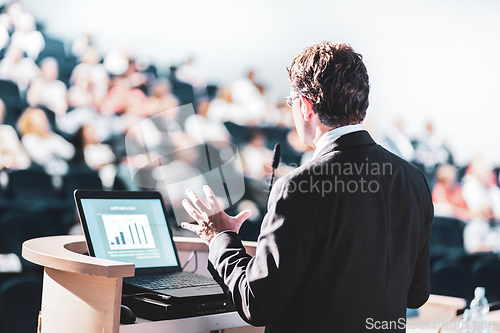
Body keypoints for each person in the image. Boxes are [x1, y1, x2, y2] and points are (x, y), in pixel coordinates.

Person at [180, 42, 433, 332]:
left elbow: (257, 302)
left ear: (305, 105)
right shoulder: (413, 179)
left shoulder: (299, 187)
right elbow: (416, 293)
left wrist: (220, 238)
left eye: (291, 102)